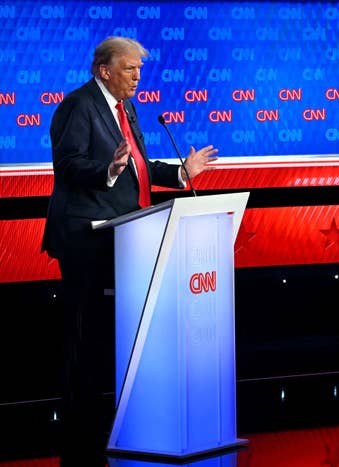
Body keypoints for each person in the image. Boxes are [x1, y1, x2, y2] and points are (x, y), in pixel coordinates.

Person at [41, 36, 218, 467]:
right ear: (104, 70)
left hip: (124, 237)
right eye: (129, 69)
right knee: (84, 333)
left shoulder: (126, 109)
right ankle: (77, 428)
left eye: (139, 69)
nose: (138, 77)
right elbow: (66, 165)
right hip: (86, 237)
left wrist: (180, 171)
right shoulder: (78, 106)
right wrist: (107, 169)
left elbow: (137, 165)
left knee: (109, 333)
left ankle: (109, 418)